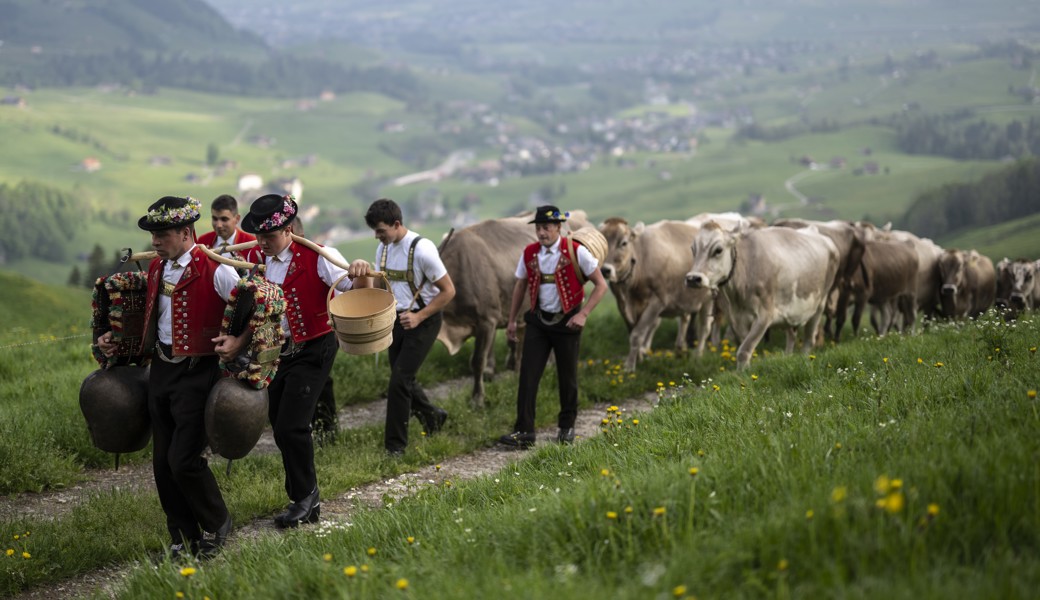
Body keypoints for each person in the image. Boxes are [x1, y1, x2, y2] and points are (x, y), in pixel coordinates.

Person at [96, 195, 237, 559]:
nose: (155, 242)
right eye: (153, 235)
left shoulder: (218, 269)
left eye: (162, 234)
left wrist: (236, 341)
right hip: (160, 372)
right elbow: (146, 318)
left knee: (184, 460)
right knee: (162, 464)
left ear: (186, 232)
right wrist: (117, 339)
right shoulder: (157, 269)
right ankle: (183, 537)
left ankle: (217, 522)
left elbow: (251, 308)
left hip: (198, 373)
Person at [215, 194, 366, 529]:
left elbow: (356, 289)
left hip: (315, 346)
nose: (263, 243)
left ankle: (305, 498)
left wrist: (359, 271)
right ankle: (304, 497)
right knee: (281, 425)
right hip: (277, 353)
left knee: (291, 425)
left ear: (288, 230)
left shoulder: (319, 255)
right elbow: (251, 309)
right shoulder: (254, 259)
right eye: (260, 236)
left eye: (269, 237)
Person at [347, 198, 456, 456]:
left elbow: (449, 291)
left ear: (397, 224)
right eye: (374, 231)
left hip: (424, 321)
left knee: (399, 381)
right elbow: (383, 287)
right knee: (403, 377)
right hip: (396, 320)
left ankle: (395, 447)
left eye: (381, 231)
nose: (377, 236)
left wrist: (420, 317)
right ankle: (433, 416)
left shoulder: (422, 250)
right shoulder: (383, 250)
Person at [498, 205, 608, 448]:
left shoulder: (577, 251)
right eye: (538, 228)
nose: (541, 232)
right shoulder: (529, 253)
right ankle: (524, 431)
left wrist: (584, 314)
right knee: (528, 376)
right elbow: (520, 285)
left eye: (546, 227)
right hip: (538, 321)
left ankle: (566, 427)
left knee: (567, 376)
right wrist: (513, 319)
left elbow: (601, 285)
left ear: (559, 227)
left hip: (567, 321)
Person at [196, 194, 262, 263]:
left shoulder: (250, 243)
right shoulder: (203, 241)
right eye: (215, 219)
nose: (219, 225)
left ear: (237, 218)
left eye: (224, 219)